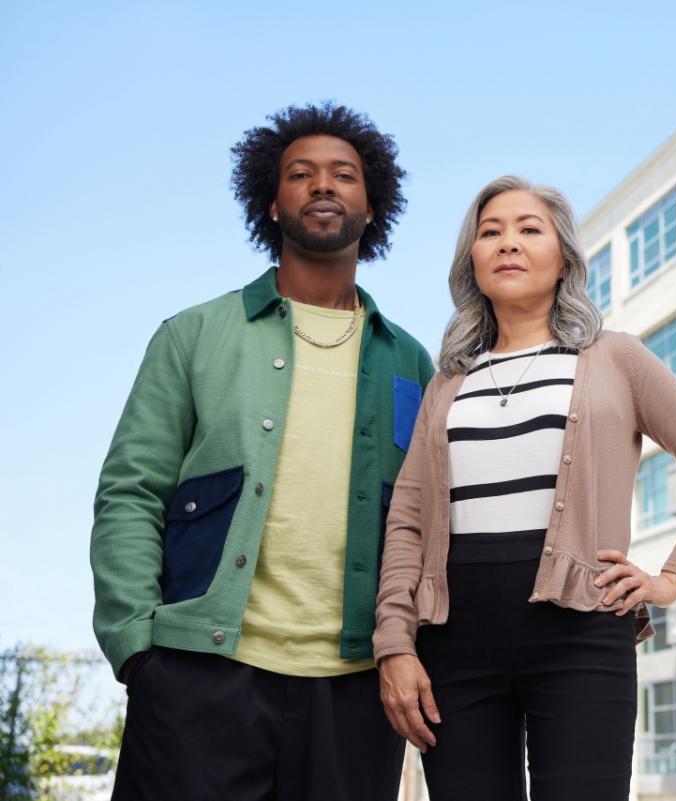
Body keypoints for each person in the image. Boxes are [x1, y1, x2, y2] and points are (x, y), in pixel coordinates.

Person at [90, 102, 434, 801]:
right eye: (300, 174)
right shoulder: (193, 335)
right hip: (198, 674)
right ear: (271, 204)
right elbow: (131, 490)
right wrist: (137, 649)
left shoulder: (412, 362)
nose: (322, 185)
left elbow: (430, 522)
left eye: (344, 174)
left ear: (373, 208)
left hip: (355, 688)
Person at [374, 175, 676, 800]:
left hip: (581, 629)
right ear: (471, 259)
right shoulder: (448, 383)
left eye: (529, 229)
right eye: (489, 232)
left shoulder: (616, 358)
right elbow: (409, 519)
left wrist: (670, 580)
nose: (508, 243)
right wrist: (394, 642)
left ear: (564, 258)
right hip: (453, 638)